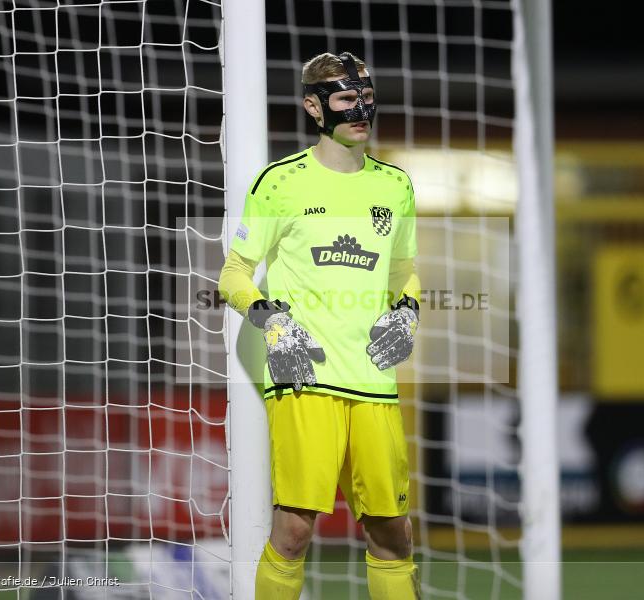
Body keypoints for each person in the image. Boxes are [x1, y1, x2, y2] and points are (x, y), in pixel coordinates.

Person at [218, 51, 421, 600]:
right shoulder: (280, 183)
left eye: (366, 97)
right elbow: (234, 275)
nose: (362, 109)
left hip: (374, 383)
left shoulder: (395, 186)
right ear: (314, 106)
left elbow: (405, 274)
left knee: (394, 534)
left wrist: (407, 313)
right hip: (306, 377)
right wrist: (275, 323)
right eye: (346, 98)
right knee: (294, 530)